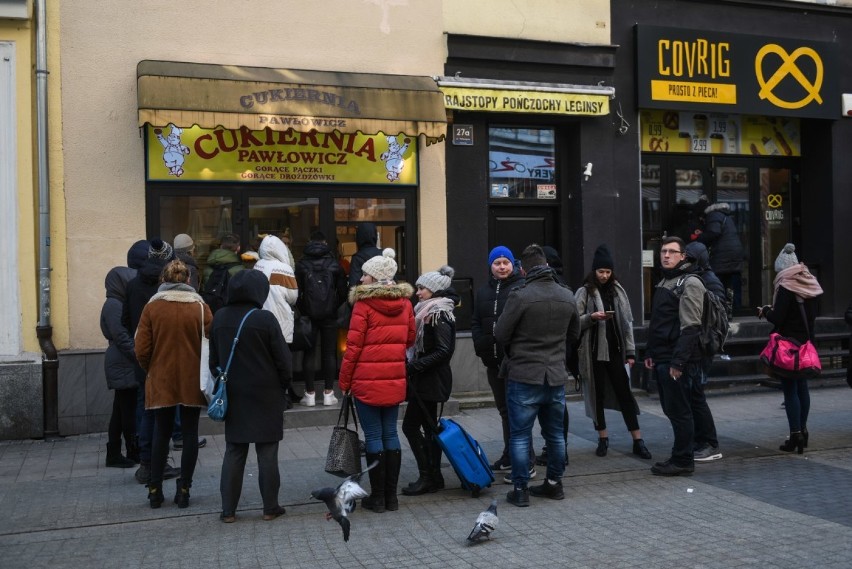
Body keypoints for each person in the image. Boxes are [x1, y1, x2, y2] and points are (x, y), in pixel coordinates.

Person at [494, 244, 579, 507]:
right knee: (554, 435)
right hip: (554, 375)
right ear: (547, 265)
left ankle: (521, 490)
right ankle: (555, 484)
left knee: (520, 435)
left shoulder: (520, 295)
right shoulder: (567, 295)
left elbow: (500, 334)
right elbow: (574, 335)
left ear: (523, 268)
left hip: (523, 374)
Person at [211, 270, 292, 523]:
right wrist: (283, 386)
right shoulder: (264, 319)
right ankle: (270, 508)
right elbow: (283, 362)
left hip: (234, 394)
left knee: (234, 451)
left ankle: (228, 512)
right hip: (266, 394)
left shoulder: (220, 318)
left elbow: (214, 361)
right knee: (267, 452)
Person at [338, 248, 415, 513]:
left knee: (372, 435)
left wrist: (344, 381)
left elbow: (354, 347)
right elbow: (410, 339)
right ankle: (392, 498)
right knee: (390, 433)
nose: (360, 279)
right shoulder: (405, 303)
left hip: (366, 381)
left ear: (375, 278)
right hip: (394, 380)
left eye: (365, 275)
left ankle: (378, 498)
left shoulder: (363, 305)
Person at [135, 259, 212, 509]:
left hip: (161, 378)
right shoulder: (200, 308)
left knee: (161, 433)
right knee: (190, 434)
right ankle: (184, 490)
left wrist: (152, 369)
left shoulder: (152, 308)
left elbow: (141, 348)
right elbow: (210, 343)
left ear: (163, 280)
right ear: (188, 280)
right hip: (192, 379)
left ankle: (155, 490)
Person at [644, 236, 720, 477]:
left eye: (671, 252)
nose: (666, 255)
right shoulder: (666, 282)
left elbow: (691, 327)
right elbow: (659, 323)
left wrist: (678, 362)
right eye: (663, 251)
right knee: (673, 409)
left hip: (678, 360)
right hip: (662, 356)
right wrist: (650, 352)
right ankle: (681, 455)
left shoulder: (690, 283)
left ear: (683, 256)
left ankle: (683, 459)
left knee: (680, 410)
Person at [575, 244, 651, 460]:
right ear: (594, 271)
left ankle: (638, 440)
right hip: (592, 353)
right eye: (601, 271)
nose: (605, 276)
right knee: (596, 396)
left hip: (615, 351)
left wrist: (630, 352)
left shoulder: (618, 290)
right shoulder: (584, 291)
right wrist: (592, 318)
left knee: (625, 395)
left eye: (608, 271)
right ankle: (603, 438)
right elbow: (573, 321)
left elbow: (627, 323)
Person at [471, 246, 535, 479]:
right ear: (491, 266)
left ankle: (526, 460)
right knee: (505, 412)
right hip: (493, 362)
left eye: (505, 262)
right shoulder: (483, 291)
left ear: (513, 264)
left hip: (515, 362)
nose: (501, 266)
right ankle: (510, 455)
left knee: (518, 413)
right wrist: (481, 345)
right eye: (497, 263)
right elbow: (477, 321)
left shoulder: (521, 287)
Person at [122, 238, 181, 485]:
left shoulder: (134, 284)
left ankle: (146, 463)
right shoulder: (167, 288)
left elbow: (125, 321)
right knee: (163, 414)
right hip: (165, 357)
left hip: (142, 357)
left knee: (146, 411)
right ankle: (157, 464)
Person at [759, 243, 824, 454]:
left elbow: (778, 317)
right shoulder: (810, 283)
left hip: (788, 346)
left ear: (783, 269)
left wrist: (765, 312)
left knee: (789, 390)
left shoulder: (787, 286)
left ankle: (794, 434)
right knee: (802, 387)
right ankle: (803, 432)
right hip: (806, 343)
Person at [401, 266, 458, 496]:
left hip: (431, 380)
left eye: (422, 288)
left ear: (434, 291)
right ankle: (434, 476)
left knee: (412, 426)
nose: (418, 292)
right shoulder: (426, 311)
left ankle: (428, 476)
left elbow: (444, 350)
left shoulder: (438, 313)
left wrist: (414, 366)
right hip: (426, 378)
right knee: (428, 427)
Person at [295, 230, 348, 407]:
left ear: (310, 242)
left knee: (309, 352)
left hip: (308, 315)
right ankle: (328, 393)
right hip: (329, 315)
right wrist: (332, 306)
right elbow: (343, 293)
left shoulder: (301, 264)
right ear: (325, 243)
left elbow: (297, 293)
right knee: (329, 353)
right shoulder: (334, 264)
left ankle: (309, 394)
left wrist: (304, 309)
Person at [683, 241, 724, 460]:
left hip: (702, 346)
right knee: (692, 395)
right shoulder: (696, 278)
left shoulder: (708, 281)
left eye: (690, 258)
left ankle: (709, 443)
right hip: (696, 345)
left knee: (696, 395)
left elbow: (716, 314)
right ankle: (699, 440)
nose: (685, 262)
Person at [100, 263, 140, 468]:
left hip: (123, 361)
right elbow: (121, 336)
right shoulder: (114, 305)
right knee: (127, 410)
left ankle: (114, 453)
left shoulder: (117, 302)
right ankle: (131, 450)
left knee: (120, 410)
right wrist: (137, 354)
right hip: (123, 362)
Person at [694, 200, 744, 313]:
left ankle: (718, 311)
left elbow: (713, 232)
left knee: (716, 283)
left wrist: (699, 237)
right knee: (732, 283)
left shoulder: (713, 215)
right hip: (734, 253)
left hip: (723, 255)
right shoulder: (724, 215)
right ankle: (735, 309)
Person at [254, 234, 299, 344]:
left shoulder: (257, 265)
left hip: (258, 318)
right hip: (280, 319)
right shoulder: (285, 269)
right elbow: (293, 298)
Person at [347, 222, 383, 287]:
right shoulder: (384, 255)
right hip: (384, 295)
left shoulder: (357, 258)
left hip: (365, 296)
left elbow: (354, 285)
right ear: (375, 236)